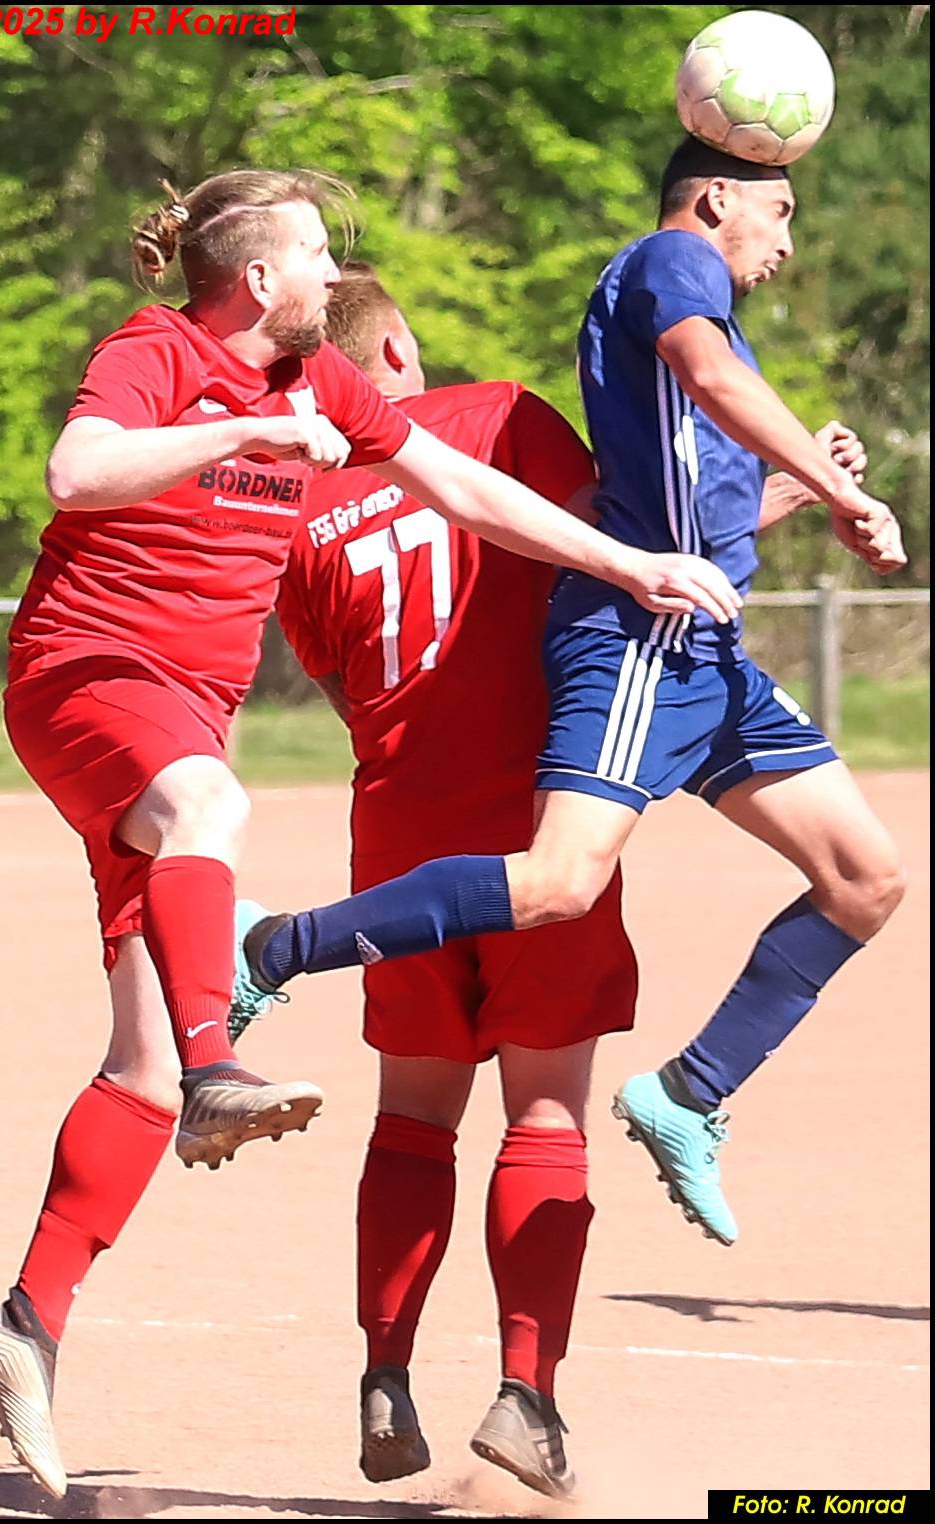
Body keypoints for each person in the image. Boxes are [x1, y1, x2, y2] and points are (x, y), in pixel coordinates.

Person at [0, 167, 740, 1502]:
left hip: (183, 721)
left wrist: (629, 564)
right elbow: (74, 471)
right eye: (317, 252)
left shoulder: (323, 381)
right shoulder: (160, 351)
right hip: (91, 673)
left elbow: (467, 492)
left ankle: (24, 1321)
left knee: (138, 1064)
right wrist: (246, 432)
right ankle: (222, 1066)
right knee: (214, 813)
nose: (335, 271)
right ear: (259, 278)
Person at [236, 138, 907, 1253]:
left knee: (865, 878)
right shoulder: (670, 263)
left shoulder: (326, 500)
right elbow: (703, 384)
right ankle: (276, 946)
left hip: (701, 651)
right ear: (717, 198)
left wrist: (785, 493)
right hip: (645, 645)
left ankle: (689, 1092)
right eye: (780, 210)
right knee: (556, 886)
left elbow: (630, 516)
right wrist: (835, 488)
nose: (787, 241)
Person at [243, 262, 639, 1499]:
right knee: (545, 1114)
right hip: (537, 823)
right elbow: (607, 548)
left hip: (397, 841)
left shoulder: (301, 505)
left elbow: (336, 681)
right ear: (397, 350)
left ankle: (385, 1375)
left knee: (413, 1120)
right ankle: (526, 1396)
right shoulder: (498, 415)